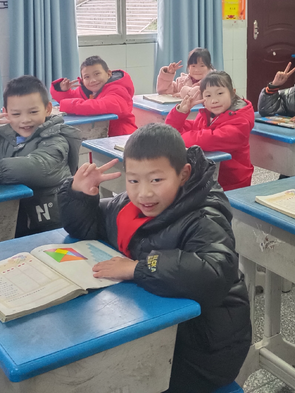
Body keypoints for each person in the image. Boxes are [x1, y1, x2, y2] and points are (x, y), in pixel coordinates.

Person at [58, 123, 252, 393]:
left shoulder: (203, 217)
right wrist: (80, 195)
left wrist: (138, 268)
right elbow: (87, 228)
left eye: (156, 180)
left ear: (183, 175)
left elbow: (214, 271)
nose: (144, 193)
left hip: (201, 350)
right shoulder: (127, 206)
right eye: (133, 180)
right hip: (154, 330)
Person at [0, 75, 83, 237]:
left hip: (49, 226)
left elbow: (39, 166)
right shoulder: (3, 136)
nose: (25, 120)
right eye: (16, 114)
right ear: (6, 113)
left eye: (33, 112)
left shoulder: (56, 139)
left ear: (48, 109)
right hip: (13, 219)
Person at [165, 71, 254, 190]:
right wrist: (181, 111)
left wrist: (177, 138)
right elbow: (170, 131)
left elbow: (207, 139)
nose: (214, 100)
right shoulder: (207, 115)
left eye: (220, 93)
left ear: (232, 92)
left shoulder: (241, 121)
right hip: (206, 178)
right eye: (208, 95)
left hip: (230, 183)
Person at [51, 56, 137, 136]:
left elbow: (101, 106)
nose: (92, 80)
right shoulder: (88, 91)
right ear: (82, 80)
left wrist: (69, 105)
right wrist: (63, 91)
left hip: (122, 138)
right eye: (87, 77)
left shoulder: (118, 90)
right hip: (99, 137)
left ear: (109, 74)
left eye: (97, 74)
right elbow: (68, 100)